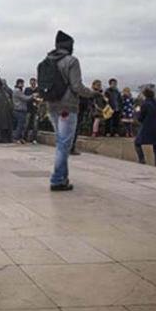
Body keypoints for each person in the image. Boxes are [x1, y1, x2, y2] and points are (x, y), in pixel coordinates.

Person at [42, 30, 97, 191]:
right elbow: (76, 86)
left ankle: (63, 178)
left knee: (62, 143)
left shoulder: (47, 60)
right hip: (67, 107)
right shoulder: (71, 61)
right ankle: (57, 179)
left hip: (51, 105)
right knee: (63, 144)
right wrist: (92, 93)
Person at [134, 86, 156, 167]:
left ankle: (142, 160)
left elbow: (140, 118)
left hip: (147, 128)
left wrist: (138, 111)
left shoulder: (144, 104)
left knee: (137, 143)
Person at [12, 78, 33, 144]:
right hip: (19, 110)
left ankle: (20, 138)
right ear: (19, 83)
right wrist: (33, 96)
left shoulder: (18, 90)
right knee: (20, 125)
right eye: (22, 83)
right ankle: (16, 138)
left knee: (22, 125)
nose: (23, 85)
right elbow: (25, 98)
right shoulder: (17, 91)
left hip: (20, 110)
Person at [24, 77, 41, 144]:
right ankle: (24, 138)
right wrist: (32, 96)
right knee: (26, 124)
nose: (33, 83)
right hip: (28, 109)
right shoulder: (27, 89)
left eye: (34, 82)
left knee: (35, 125)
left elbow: (41, 98)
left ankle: (34, 139)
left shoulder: (38, 89)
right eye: (31, 82)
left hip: (36, 109)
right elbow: (25, 98)